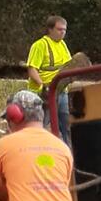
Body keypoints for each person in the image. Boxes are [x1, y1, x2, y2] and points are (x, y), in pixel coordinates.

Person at [25, 14, 73, 144]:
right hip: (42, 94)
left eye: (64, 30)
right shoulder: (40, 45)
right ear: (50, 29)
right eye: (59, 29)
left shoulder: (62, 45)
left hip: (61, 92)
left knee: (66, 126)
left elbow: (69, 66)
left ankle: (69, 156)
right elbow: (32, 69)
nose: (63, 32)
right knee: (40, 126)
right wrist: (43, 85)